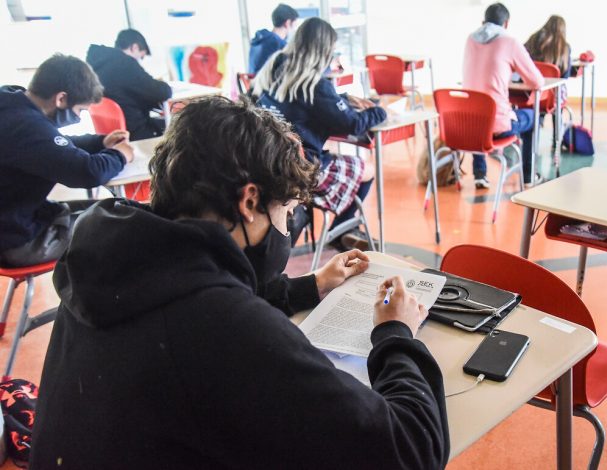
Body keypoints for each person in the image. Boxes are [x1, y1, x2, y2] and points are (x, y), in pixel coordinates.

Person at [28, 96, 449, 470]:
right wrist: (396, 333)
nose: (286, 228)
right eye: (285, 212)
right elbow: (411, 450)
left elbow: (192, 293)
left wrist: (309, 286)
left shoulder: (111, 260)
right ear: (249, 201)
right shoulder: (224, 325)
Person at [256, 17, 385, 250]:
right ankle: (341, 229)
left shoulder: (274, 66)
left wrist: (342, 99)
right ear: (324, 50)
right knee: (368, 169)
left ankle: (342, 230)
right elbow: (352, 124)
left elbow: (303, 103)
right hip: (302, 171)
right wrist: (379, 110)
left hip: (267, 163)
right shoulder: (315, 84)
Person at [0, 54, 133, 268]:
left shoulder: (12, 104)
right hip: (18, 241)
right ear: (61, 99)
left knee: (117, 209)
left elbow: (51, 145)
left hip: (17, 219)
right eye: (80, 110)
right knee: (124, 224)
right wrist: (120, 155)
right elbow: (88, 172)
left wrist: (100, 142)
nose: (79, 118)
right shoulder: (27, 126)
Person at [463, 2, 544, 188]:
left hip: (469, 123)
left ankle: (480, 174)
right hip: (498, 126)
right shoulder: (510, 42)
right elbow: (537, 82)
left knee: (479, 110)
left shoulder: (470, 40)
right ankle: (528, 175)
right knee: (533, 117)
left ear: (483, 22)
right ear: (506, 24)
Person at [87, 29, 172, 141]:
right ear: (134, 47)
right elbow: (163, 92)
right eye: (141, 57)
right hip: (136, 131)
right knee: (180, 125)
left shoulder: (95, 65)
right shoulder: (125, 64)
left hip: (112, 132)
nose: (139, 62)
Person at [248, 3, 299, 75]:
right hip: (267, 81)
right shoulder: (278, 45)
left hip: (254, 81)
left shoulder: (260, 40)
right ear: (287, 23)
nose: (294, 29)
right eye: (294, 25)